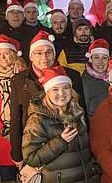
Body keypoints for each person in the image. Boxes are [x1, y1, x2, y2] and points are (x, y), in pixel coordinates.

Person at [9, 31, 85, 164]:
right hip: (35, 149)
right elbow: (16, 119)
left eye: (49, 52)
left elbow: (82, 112)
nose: (44, 57)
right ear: (31, 56)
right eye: (38, 53)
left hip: (70, 150)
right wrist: (17, 156)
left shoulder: (72, 76)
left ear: (54, 54)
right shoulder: (19, 81)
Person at [0, 35, 28, 182]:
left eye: (7, 53)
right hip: (3, 135)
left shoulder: (25, 74)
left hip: (24, 133)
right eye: (0, 54)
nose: (3, 57)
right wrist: (1, 128)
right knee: (7, 180)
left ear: (14, 54)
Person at [81, 40, 111, 119]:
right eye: (96, 57)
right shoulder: (85, 81)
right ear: (90, 59)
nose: (100, 62)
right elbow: (84, 112)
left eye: (104, 58)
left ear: (108, 60)